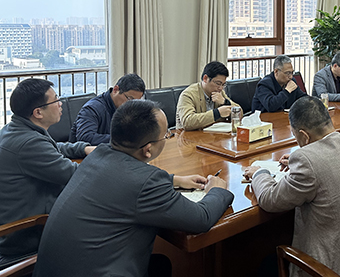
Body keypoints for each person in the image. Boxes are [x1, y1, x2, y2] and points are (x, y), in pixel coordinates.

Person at [34, 100, 234, 277]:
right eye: (166, 135)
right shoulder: (146, 182)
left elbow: (124, 179)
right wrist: (218, 190)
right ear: (148, 149)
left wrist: (174, 180)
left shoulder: (97, 156)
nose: (167, 138)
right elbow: (200, 219)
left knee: (160, 264)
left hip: (56, 269)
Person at [243, 96, 340, 277]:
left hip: (338, 270)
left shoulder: (308, 161)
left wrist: (259, 173)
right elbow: (328, 162)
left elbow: (269, 199)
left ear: (304, 135)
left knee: (262, 267)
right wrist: (303, 162)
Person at [0, 79, 93, 269]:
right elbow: (75, 176)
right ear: (38, 112)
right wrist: (111, 162)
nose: (61, 104)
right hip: (27, 235)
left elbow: (53, 148)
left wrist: (83, 148)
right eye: (56, 100)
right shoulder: (29, 143)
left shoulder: (15, 130)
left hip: (21, 222)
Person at [70, 73, 146, 144]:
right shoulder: (92, 109)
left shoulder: (128, 109)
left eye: (136, 101)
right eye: (129, 99)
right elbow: (85, 138)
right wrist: (121, 139)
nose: (132, 105)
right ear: (115, 90)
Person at [176, 61, 239, 130]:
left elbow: (239, 113)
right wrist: (217, 113)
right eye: (218, 83)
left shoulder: (220, 93)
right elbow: (187, 122)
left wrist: (225, 102)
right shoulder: (188, 94)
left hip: (213, 134)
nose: (221, 88)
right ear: (205, 78)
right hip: (190, 135)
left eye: (223, 84)